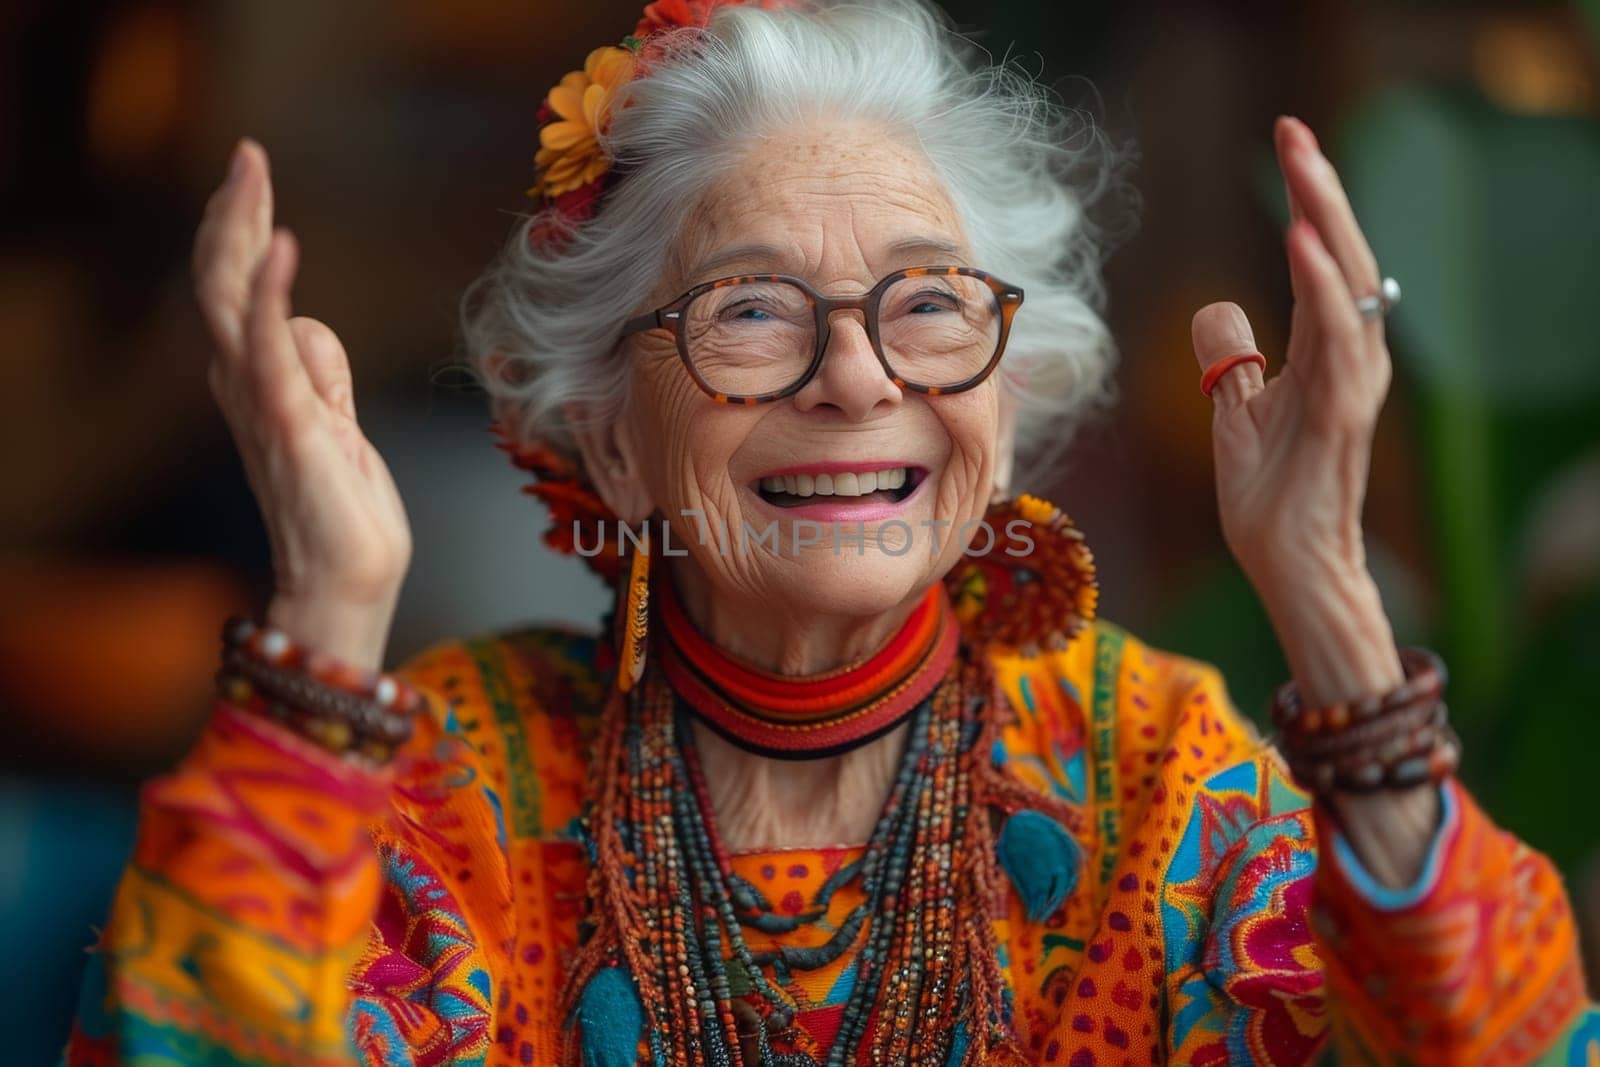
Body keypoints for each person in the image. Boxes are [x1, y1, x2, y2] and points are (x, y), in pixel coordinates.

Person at [63, 1, 1597, 1063]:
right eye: (750, 312)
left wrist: (1329, 605)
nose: (861, 374)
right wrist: (330, 613)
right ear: (606, 425)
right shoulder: (454, 797)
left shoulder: (1160, 779)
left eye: (930, 304)